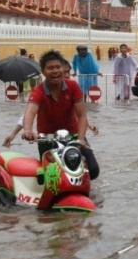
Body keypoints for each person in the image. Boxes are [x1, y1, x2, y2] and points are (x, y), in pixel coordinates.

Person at [20, 50, 100, 180]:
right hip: (47, 139)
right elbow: (30, 111)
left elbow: (81, 115)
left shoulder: (73, 86)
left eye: (58, 67)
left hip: (73, 136)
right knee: (48, 177)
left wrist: (80, 139)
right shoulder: (38, 91)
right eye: (50, 68)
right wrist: (28, 130)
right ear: (43, 71)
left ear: (63, 69)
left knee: (93, 170)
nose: (55, 71)